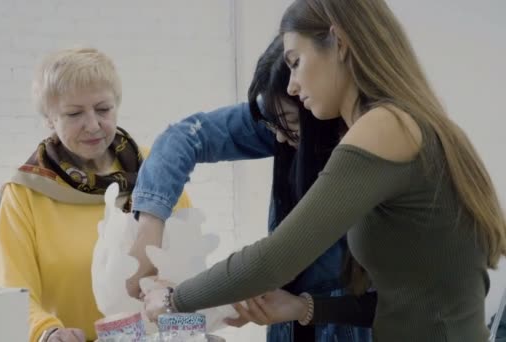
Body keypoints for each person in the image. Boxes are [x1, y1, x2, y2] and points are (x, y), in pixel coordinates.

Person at [143, 0, 506, 341]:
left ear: (339, 42)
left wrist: (174, 299)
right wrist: (303, 308)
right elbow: (406, 296)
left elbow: (274, 259)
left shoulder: (385, 127)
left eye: (296, 61)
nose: (291, 84)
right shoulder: (411, 122)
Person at [128, 35, 372, 341]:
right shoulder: (284, 120)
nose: (280, 139)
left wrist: (175, 299)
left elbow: (272, 260)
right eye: (272, 126)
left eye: (290, 124)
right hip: (288, 317)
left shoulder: (369, 154)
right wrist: (149, 227)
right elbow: (184, 137)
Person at [0, 47, 191, 342]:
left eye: (103, 109)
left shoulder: (156, 171)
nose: (93, 125)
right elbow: (10, 291)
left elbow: (187, 258)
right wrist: (47, 331)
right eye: (74, 114)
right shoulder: (26, 193)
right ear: (49, 118)